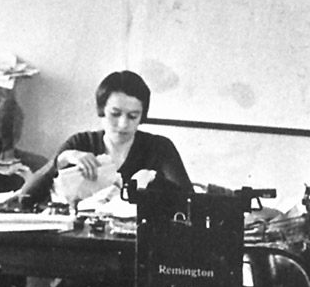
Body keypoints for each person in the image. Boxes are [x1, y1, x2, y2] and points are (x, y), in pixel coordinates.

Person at [10, 68, 190, 210]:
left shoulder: (159, 147)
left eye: (133, 116)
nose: (123, 124)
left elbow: (190, 203)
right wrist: (61, 160)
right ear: (102, 110)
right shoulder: (80, 143)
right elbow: (24, 198)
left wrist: (154, 181)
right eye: (115, 114)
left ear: (142, 116)